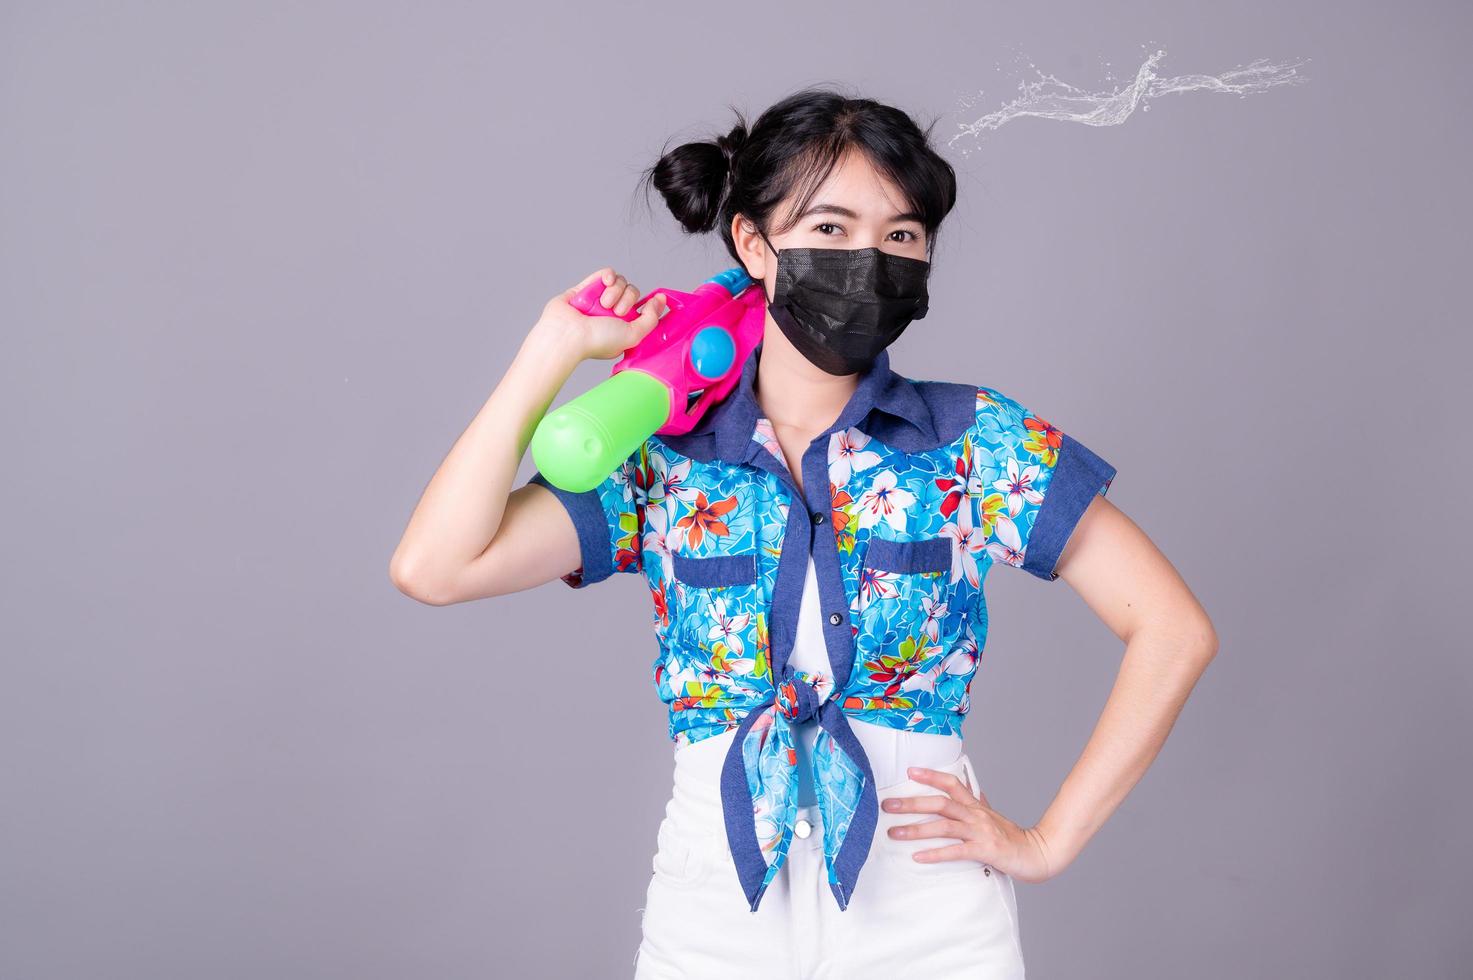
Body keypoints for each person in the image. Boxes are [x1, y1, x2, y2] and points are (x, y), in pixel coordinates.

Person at [390, 87, 1219, 980]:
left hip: (927, 900)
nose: (866, 257)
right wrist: (551, 350)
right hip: (714, 898)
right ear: (753, 243)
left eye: (899, 235)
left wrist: (1050, 842)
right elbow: (435, 567)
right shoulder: (663, 458)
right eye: (829, 229)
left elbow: (1173, 630)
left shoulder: (972, 440)